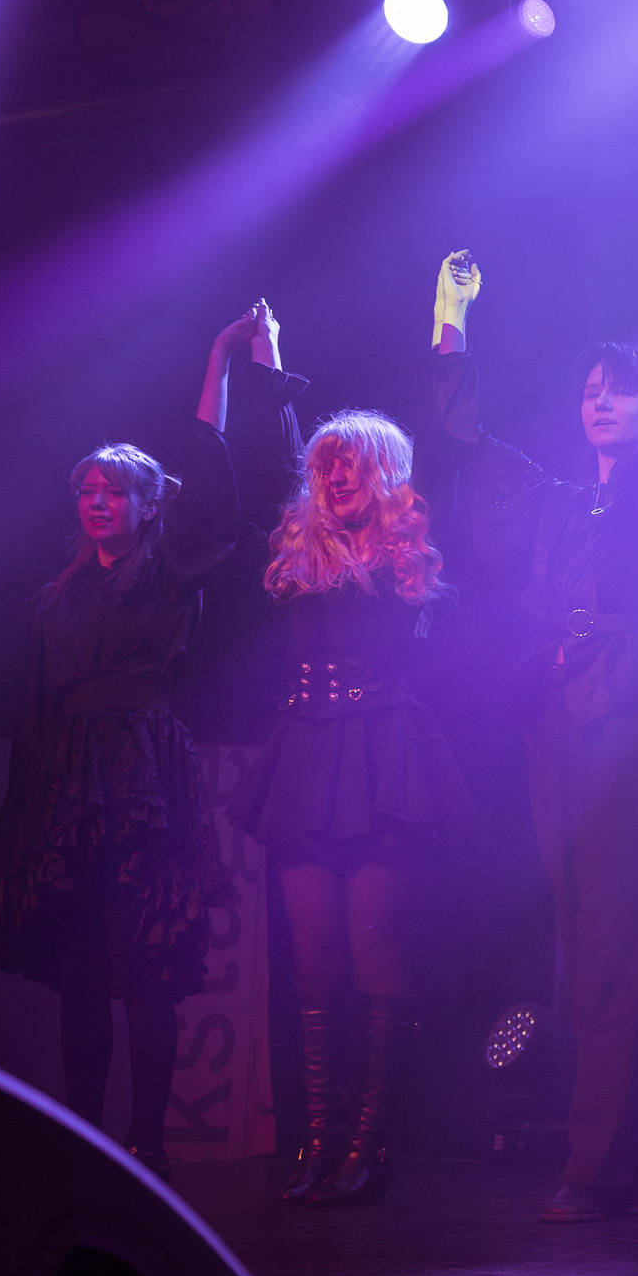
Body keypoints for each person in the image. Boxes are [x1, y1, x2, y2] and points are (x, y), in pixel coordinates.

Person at [420, 186, 638, 1224]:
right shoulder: (558, 503)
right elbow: (466, 445)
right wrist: (452, 323)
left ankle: (594, 1167)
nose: (599, 402)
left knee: (603, 956)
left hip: (636, 723)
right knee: (596, 946)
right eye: (591, 390)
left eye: (620, 391)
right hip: (558, 720)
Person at [0, 306, 273, 1180]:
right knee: (80, 974)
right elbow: (35, 712)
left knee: (143, 965)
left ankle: (146, 1142)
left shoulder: (168, 571)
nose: (98, 503)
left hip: (143, 780)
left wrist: (221, 360)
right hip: (67, 790)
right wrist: (20, 823)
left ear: (147, 507)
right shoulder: (55, 599)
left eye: (114, 492)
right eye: (88, 493)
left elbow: (210, 489)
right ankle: (85, 1140)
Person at [233, 363, 468, 1208]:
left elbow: (445, 441)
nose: (335, 475)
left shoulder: (406, 554)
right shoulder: (306, 549)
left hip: (383, 755)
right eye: (325, 463)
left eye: (351, 463)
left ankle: (371, 1143)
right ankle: (319, 1139)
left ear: (384, 474)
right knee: (313, 958)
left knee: (377, 953)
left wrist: (450, 332)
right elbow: (271, 463)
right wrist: (265, 370)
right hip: (308, 752)